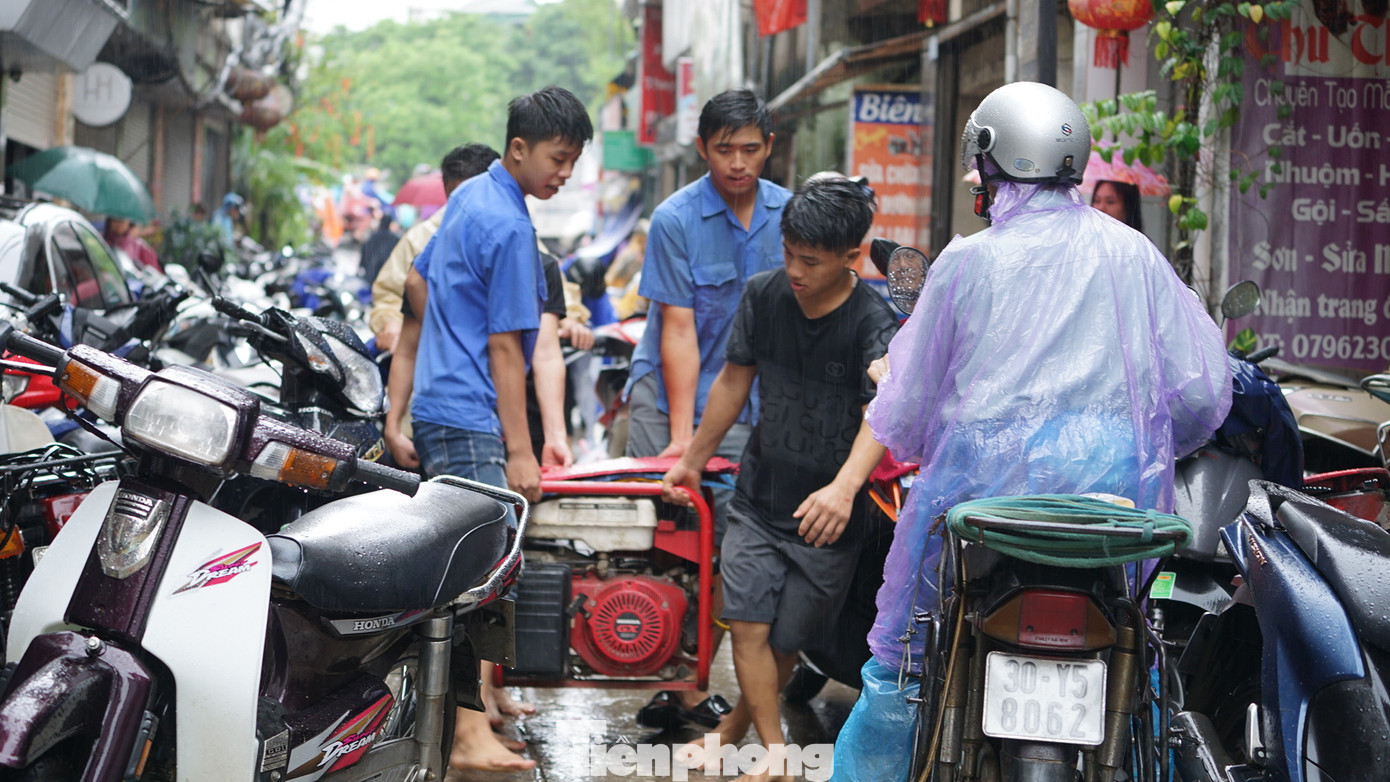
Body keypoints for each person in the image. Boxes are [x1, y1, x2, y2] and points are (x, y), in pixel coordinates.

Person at [830, 82, 1232, 781]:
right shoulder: (1134, 254)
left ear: (993, 164)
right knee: (1139, 657)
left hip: (983, 510)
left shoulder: (968, 261)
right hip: (1112, 517)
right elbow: (1201, 395)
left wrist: (901, 400)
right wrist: (1143, 442)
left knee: (906, 663)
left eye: (977, 170)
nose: (975, 183)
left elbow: (906, 417)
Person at [661, 176, 898, 781]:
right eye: (788, 252)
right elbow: (733, 381)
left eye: (810, 261)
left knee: (786, 640)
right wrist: (692, 458)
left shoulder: (873, 321)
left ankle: (734, 734)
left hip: (828, 514)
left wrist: (844, 489)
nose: (794, 269)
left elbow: (883, 411)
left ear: (850, 256)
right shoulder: (764, 295)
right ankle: (775, 753)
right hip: (759, 495)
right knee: (746, 621)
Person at [397, 86, 593, 774]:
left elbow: (417, 284)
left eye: (572, 162)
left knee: (466, 576)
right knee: (476, 582)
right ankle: (465, 735)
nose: (564, 174)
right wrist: (520, 449)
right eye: (557, 159)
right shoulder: (508, 224)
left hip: (442, 404)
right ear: (518, 148)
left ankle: (469, 721)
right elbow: (509, 348)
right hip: (470, 415)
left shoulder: (472, 195)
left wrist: (437, 357)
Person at [623, 88, 792, 729]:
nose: (738, 163)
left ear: (769, 147)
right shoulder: (675, 218)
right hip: (672, 400)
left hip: (754, 409)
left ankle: (689, 677)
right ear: (702, 149)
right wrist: (682, 439)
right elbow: (678, 331)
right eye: (724, 150)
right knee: (669, 544)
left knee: (730, 549)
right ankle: (670, 676)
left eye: (750, 149)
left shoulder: (790, 215)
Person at [368, 144, 496, 354]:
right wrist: (391, 323)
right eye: (460, 198)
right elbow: (389, 295)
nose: (468, 208)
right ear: (447, 191)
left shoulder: (514, 236)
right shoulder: (422, 239)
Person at [358, 210, 399, 291]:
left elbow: (364, 251)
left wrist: (361, 266)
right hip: (385, 273)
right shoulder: (395, 238)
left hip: (371, 271)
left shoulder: (374, 236)